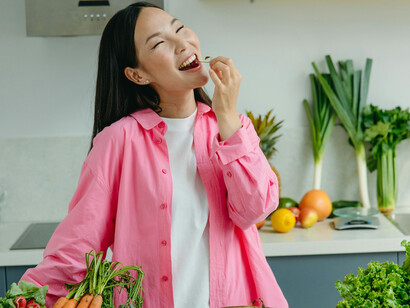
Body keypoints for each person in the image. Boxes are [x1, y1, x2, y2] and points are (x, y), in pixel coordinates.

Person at [21, 2, 288, 308]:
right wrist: (27, 299)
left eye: (179, 28)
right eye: (160, 42)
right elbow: (77, 248)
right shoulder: (118, 141)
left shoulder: (232, 129)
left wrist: (226, 116)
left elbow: (255, 209)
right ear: (137, 75)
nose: (182, 43)